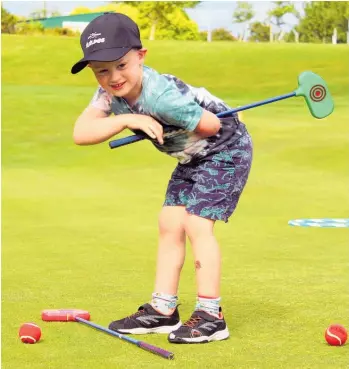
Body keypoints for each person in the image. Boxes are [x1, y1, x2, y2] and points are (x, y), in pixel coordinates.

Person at [72, 12, 253, 344]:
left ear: (140, 57)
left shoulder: (160, 96)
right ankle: (163, 310)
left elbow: (212, 125)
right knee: (170, 222)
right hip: (192, 156)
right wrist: (129, 121)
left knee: (197, 223)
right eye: (102, 70)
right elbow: (81, 133)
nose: (113, 77)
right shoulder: (110, 93)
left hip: (225, 147)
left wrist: (165, 118)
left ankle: (212, 315)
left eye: (121, 65)